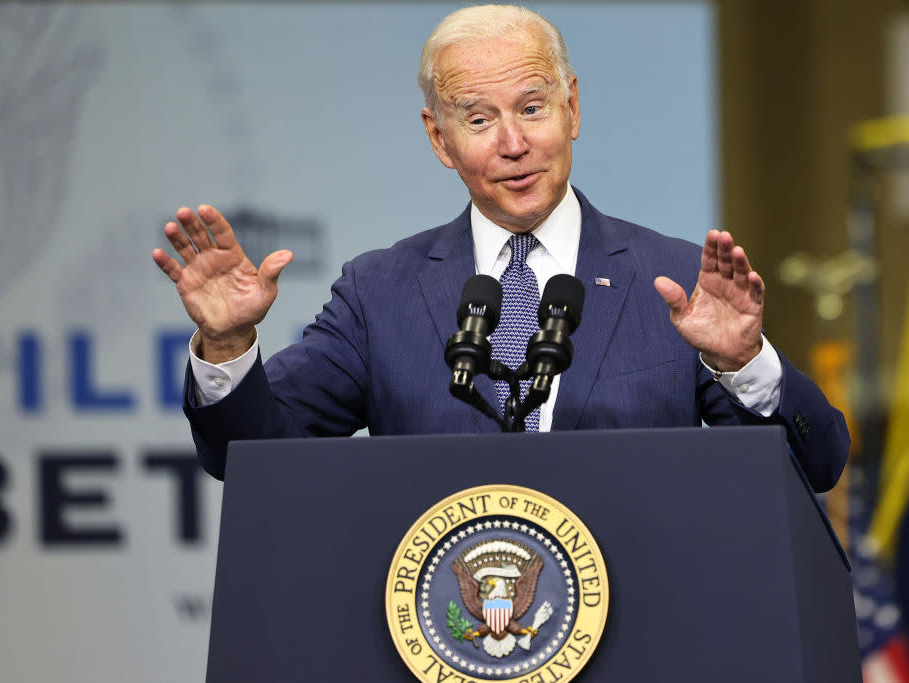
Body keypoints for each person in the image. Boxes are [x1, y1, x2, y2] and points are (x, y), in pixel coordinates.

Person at [152, 5, 849, 489]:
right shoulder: (380, 292)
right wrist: (227, 346)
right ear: (438, 139)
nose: (513, 143)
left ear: (573, 108)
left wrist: (743, 362)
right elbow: (248, 457)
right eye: (479, 118)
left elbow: (816, 464)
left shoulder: (668, 278)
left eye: (533, 108)